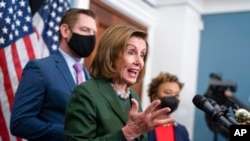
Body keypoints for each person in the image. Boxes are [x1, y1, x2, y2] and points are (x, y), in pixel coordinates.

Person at [64, 24, 175, 141]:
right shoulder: (86, 93)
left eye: (142, 55)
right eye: (131, 52)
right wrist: (126, 134)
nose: (139, 62)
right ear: (111, 55)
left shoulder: (133, 97)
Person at [10, 8, 97, 141]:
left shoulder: (90, 79)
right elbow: (20, 122)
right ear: (65, 31)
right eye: (85, 30)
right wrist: (67, 133)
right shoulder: (40, 69)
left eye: (94, 33)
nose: (91, 37)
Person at [147, 72, 190, 141]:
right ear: (154, 97)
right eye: (168, 92)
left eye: (177, 95)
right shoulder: (142, 127)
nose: (173, 97)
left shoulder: (182, 131)